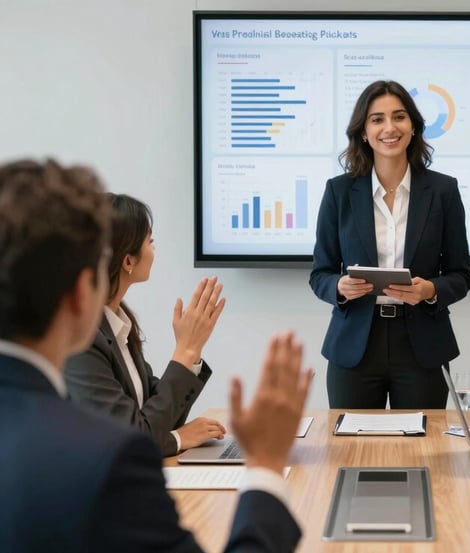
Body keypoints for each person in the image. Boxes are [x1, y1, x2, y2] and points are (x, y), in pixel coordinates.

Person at [0, 159, 312, 552]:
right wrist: (265, 466)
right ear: (83, 292)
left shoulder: (121, 327)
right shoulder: (109, 459)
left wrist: (188, 355)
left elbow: (148, 402)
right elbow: (138, 427)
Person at [310, 80, 470, 409]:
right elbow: (320, 274)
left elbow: (460, 274)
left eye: (399, 117)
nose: (389, 127)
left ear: (413, 127)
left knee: (422, 451)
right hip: (354, 345)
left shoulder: (443, 191)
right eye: (377, 119)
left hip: (422, 345)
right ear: (364, 132)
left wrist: (429, 290)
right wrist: (340, 286)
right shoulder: (339, 192)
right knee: (349, 451)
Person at [65, 194, 227, 456]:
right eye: (150, 241)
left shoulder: (117, 323)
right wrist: (184, 351)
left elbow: (159, 414)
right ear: (129, 260)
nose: (154, 249)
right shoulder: (82, 339)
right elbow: (127, 441)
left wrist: (192, 351)